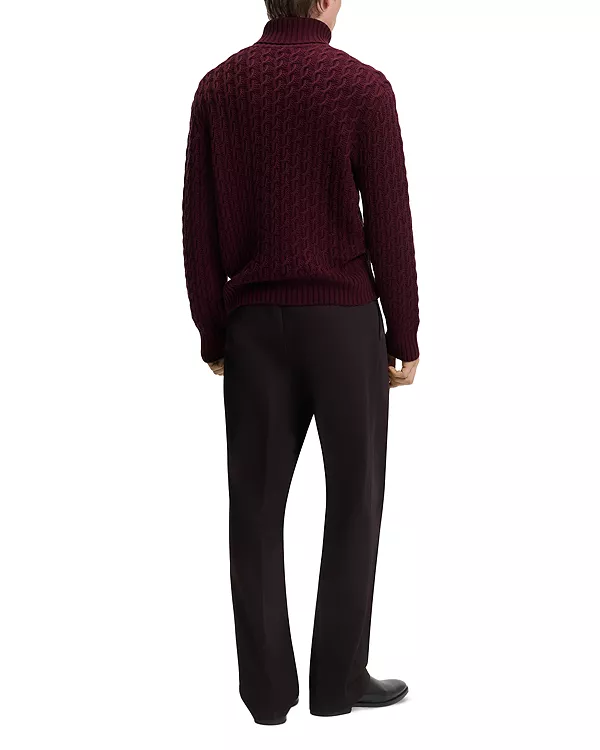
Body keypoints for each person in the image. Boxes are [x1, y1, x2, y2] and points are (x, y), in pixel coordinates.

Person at [181, 0, 420, 725]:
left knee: (253, 511)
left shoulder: (218, 88)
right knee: (354, 502)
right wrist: (404, 333)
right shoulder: (363, 87)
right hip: (344, 324)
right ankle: (338, 682)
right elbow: (391, 220)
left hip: (255, 328)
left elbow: (198, 227)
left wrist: (213, 332)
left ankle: (266, 695)